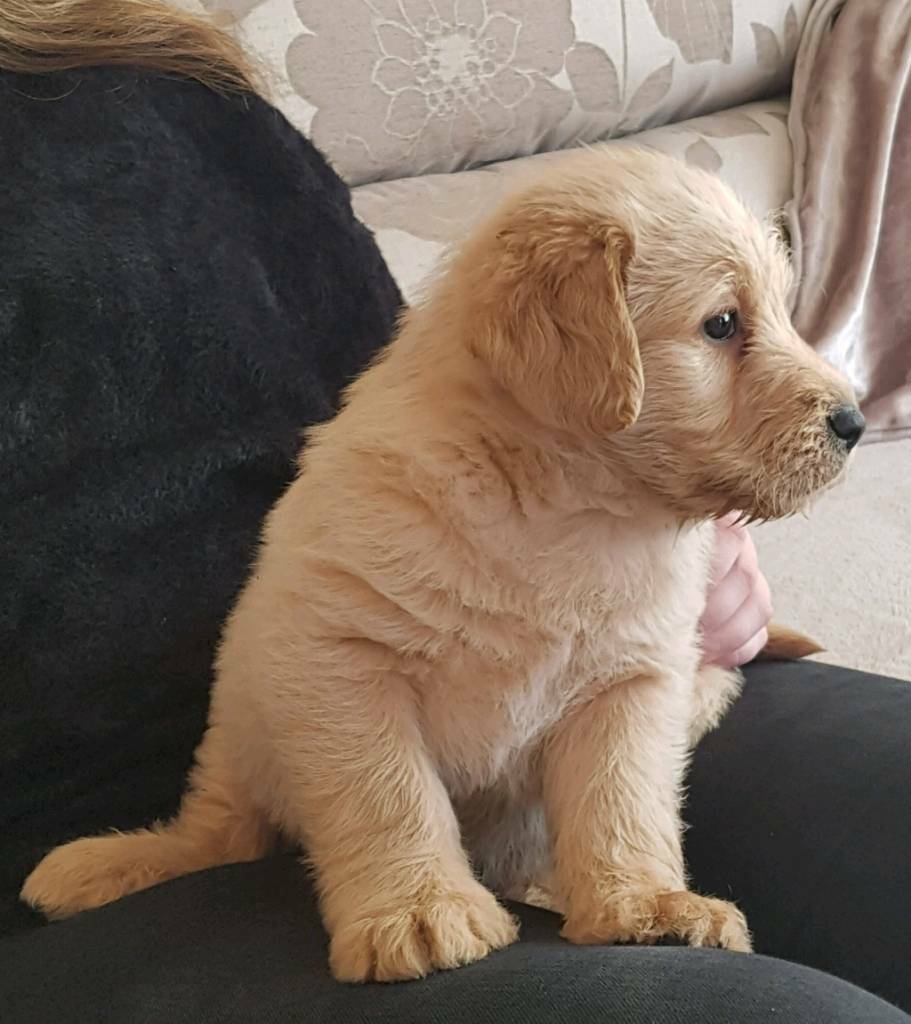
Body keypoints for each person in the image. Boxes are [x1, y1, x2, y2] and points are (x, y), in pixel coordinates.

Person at [1, 3, 908, 1021]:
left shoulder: (168, 68)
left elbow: (450, 353)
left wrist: (625, 863)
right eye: (726, 328)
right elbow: (325, 650)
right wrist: (395, 866)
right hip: (167, 807)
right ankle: (214, 831)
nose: (830, 395)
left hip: (558, 740)